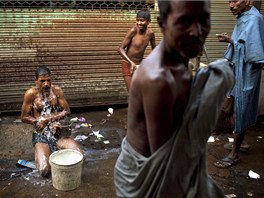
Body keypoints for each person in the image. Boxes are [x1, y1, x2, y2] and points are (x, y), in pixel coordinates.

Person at [114, 0, 235, 197]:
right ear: (163, 23)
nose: (197, 32)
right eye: (184, 21)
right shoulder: (158, 80)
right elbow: (167, 167)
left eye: (203, 20)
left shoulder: (180, 61)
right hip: (144, 176)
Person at [214, 0, 264, 168]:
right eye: (229, 1)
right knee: (230, 106)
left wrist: (231, 41)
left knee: (241, 108)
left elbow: (255, 52)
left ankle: (234, 154)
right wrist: (231, 42)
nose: (231, 5)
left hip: (248, 71)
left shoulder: (255, 19)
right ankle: (240, 142)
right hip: (238, 68)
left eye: (235, 1)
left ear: (247, 1)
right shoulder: (242, 17)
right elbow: (241, 43)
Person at [21, 66, 82, 177]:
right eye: (42, 81)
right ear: (36, 81)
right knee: (45, 171)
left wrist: (49, 120)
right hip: (41, 135)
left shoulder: (57, 91)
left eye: (48, 80)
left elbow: (67, 111)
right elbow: (24, 117)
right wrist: (37, 122)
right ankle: (41, 155)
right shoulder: (31, 94)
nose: (46, 84)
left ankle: (54, 151)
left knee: (80, 157)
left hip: (58, 133)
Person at [118, 9, 156, 91]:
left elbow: (155, 50)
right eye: (137, 20)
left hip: (140, 65)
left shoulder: (150, 33)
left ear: (148, 22)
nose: (139, 23)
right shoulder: (133, 31)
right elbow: (120, 49)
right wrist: (131, 63)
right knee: (132, 92)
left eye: (142, 21)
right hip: (128, 65)